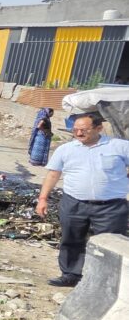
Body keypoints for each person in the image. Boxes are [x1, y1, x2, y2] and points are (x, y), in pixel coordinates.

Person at [36, 113, 129, 287]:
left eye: (84, 130)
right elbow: (53, 174)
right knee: (71, 239)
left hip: (111, 207)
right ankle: (70, 275)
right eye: (75, 130)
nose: (79, 133)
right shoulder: (66, 149)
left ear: (99, 128)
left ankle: (106, 282)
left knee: (111, 243)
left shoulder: (119, 147)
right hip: (74, 203)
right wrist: (42, 199)